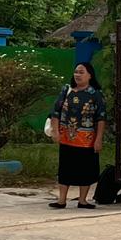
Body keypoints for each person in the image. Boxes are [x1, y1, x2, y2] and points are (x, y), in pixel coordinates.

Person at [50, 62, 106, 209]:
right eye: (76, 72)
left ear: (90, 75)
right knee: (65, 167)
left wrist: (99, 139)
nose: (77, 75)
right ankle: (61, 200)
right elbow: (56, 111)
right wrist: (55, 131)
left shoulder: (96, 94)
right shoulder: (66, 90)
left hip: (86, 139)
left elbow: (101, 118)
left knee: (85, 169)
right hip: (67, 138)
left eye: (81, 72)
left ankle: (83, 200)